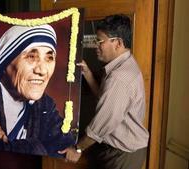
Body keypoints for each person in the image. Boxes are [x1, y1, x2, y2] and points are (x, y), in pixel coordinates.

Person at [59, 14, 149, 169]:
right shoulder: (125, 64)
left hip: (121, 154)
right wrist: (87, 73)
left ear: (118, 43)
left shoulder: (119, 78)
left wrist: (77, 148)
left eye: (100, 41)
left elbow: (100, 125)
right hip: (120, 149)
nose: (95, 45)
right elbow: (106, 99)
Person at [0, 24, 75, 157]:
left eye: (49, 58)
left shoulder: (45, 104)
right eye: (31, 57)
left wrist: (12, 145)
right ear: (5, 62)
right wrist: (35, 147)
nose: (42, 70)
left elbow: (62, 143)